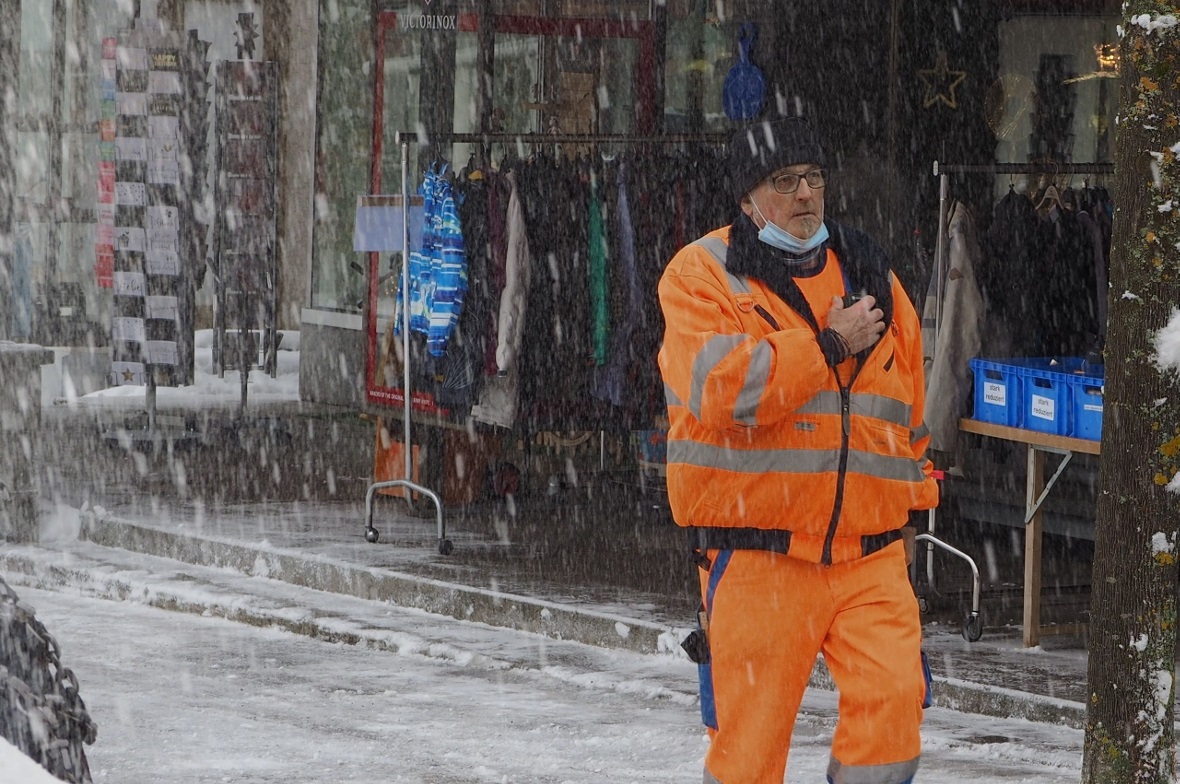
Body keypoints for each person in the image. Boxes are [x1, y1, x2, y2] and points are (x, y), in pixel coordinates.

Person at [657, 116, 939, 784]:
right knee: (748, 750)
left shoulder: (874, 272)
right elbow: (723, 389)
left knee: (895, 712)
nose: (805, 194)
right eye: (785, 182)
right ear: (748, 199)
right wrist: (826, 347)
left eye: (813, 177)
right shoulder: (702, 274)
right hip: (759, 555)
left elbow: (910, 410)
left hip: (868, 556)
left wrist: (914, 509)